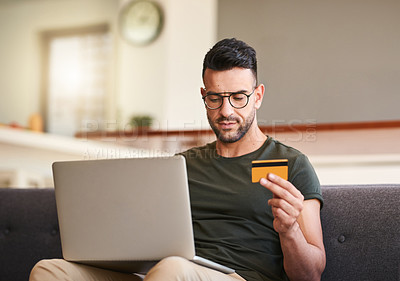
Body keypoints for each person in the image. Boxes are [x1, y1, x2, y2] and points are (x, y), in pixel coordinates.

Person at [29, 38, 325, 281]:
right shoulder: (180, 166)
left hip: (237, 277)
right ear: (203, 95)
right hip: (164, 273)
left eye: (238, 97)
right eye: (215, 98)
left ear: (257, 96)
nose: (226, 111)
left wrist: (290, 230)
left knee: (172, 269)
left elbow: (311, 275)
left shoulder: (292, 164)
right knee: (49, 271)